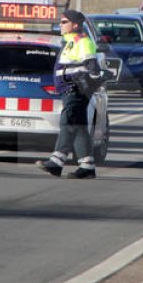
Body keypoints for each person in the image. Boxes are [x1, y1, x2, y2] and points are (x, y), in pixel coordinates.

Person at [36, 9, 103, 179]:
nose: (60, 25)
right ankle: (87, 167)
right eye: (61, 22)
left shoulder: (83, 41)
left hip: (76, 89)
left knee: (68, 122)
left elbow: (93, 66)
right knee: (79, 127)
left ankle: (56, 161)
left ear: (75, 25)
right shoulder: (70, 41)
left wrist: (91, 84)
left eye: (64, 22)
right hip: (69, 89)